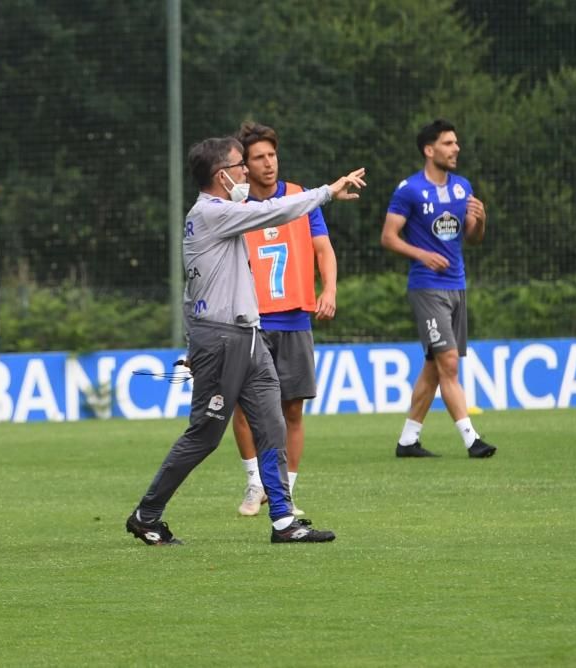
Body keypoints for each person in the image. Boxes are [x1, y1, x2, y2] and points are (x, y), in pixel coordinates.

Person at [125, 136, 364, 545]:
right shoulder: (212, 213)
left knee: (272, 424)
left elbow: (191, 290)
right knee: (205, 435)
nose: (247, 172)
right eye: (240, 166)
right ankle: (147, 515)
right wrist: (325, 192)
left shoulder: (218, 213)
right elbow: (275, 210)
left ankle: (284, 521)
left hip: (247, 335)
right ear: (223, 175)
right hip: (221, 340)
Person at [229, 122, 338, 517]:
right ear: (245, 164)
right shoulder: (234, 208)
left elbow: (323, 249)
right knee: (243, 410)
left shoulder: (298, 197)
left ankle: (285, 493)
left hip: (294, 319)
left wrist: (329, 290)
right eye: (258, 157)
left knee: (292, 410)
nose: (268, 163)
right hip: (251, 323)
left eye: (272, 155)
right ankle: (255, 483)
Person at [381, 119, 496, 459]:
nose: (456, 148)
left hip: (457, 285)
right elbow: (388, 237)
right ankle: (472, 440)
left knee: (434, 367)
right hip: (427, 288)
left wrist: (481, 220)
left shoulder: (462, 187)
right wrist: (422, 255)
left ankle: (407, 441)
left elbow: (473, 239)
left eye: (456, 143)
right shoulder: (409, 190)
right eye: (448, 143)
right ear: (429, 150)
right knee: (448, 362)